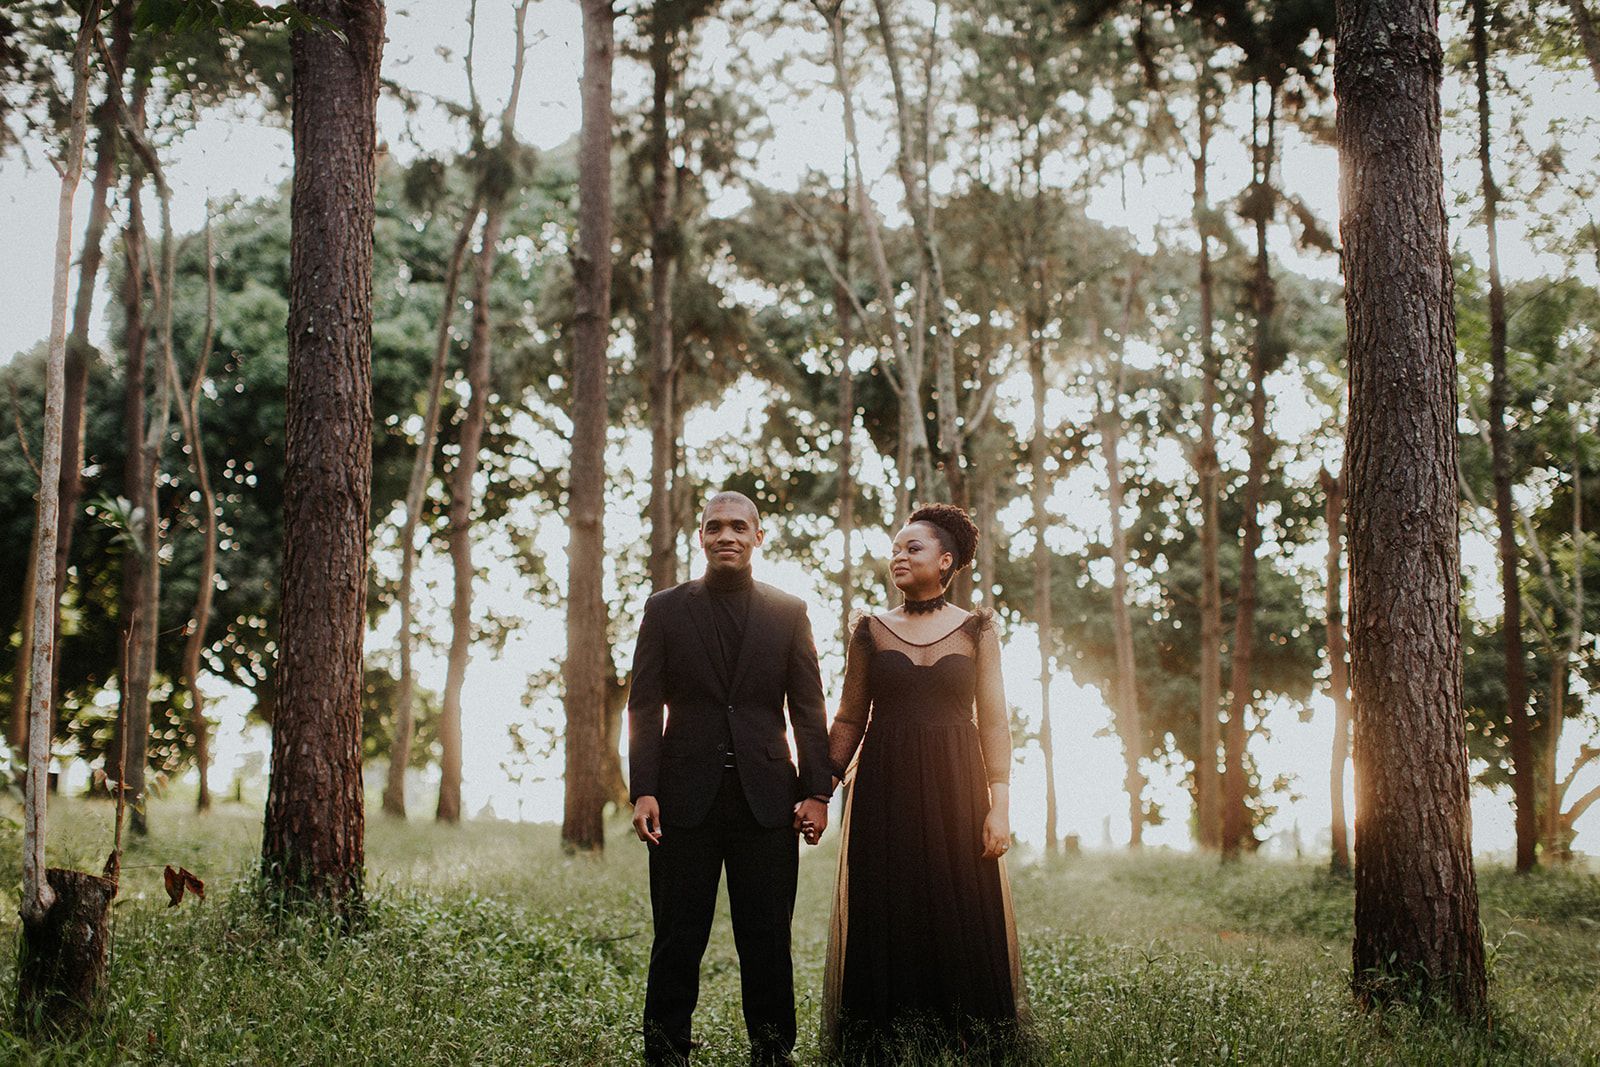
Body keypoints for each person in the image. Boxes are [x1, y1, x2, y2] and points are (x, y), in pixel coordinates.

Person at [813, 502, 1027, 1060]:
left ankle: (966, 1035)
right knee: (890, 901)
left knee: (958, 901)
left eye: (913, 548)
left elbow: (995, 719)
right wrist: (821, 788)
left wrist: (999, 806)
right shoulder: (871, 629)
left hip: (960, 784)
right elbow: (850, 717)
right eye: (894, 550)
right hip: (886, 786)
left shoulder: (977, 628)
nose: (898, 557)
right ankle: (884, 1039)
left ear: (947, 560)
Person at [627, 490, 833, 1067]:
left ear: (758, 537)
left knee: (767, 939)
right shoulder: (664, 609)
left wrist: (816, 791)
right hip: (680, 800)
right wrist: (643, 787)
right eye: (715, 527)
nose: (727, 537)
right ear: (700, 537)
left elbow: (808, 710)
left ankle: (772, 1053)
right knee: (676, 939)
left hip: (767, 803)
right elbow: (643, 705)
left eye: (739, 527)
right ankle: (665, 1054)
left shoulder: (789, 611)